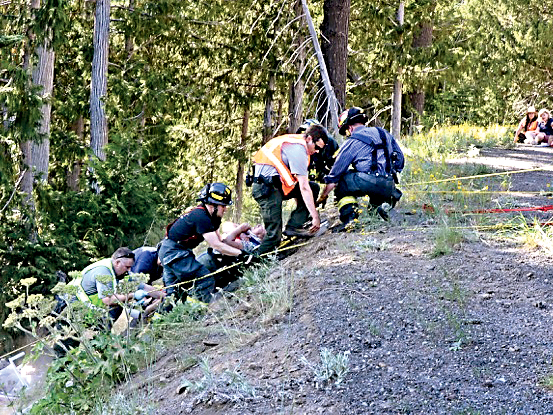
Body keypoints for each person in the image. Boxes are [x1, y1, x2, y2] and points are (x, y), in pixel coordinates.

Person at [321, 107, 405, 231]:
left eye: (345, 133)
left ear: (349, 128)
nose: (346, 136)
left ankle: (350, 220)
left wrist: (323, 196)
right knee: (374, 214)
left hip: (368, 182)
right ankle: (382, 208)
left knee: (342, 181)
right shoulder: (383, 133)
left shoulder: (352, 141)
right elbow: (400, 160)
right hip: (388, 183)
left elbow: (335, 175)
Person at [158, 183, 246, 302]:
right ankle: (210, 308)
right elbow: (216, 245)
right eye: (222, 206)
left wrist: (238, 244)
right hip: (174, 252)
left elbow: (221, 241)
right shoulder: (201, 217)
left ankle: (161, 317)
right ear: (212, 204)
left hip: (171, 251)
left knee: (175, 292)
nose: (225, 209)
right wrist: (241, 254)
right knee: (204, 277)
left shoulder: (212, 218)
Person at [249, 125, 328, 255]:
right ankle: (255, 262)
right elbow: (303, 187)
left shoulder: (297, 143)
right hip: (266, 189)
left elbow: (301, 187)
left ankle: (294, 226)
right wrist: (315, 217)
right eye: (317, 147)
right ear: (309, 138)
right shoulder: (298, 149)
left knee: (314, 187)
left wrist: (302, 212)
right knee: (274, 235)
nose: (317, 151)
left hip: (276, 185)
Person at [76, 247, 164, 324]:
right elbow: (108, 300)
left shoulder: (121, 272)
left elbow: (141, 286)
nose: (129, 270)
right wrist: (132, 295)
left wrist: (163, 294)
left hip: (91, 309)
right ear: (117, 262)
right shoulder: (104, 273)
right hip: (74, 305)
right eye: (127, 267)